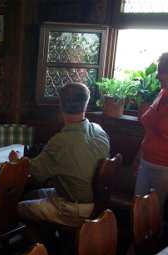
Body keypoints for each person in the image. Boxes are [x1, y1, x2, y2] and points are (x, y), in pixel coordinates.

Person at [9, 82, 110, 229]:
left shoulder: (61, 141)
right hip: (97, 203)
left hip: (75, 208)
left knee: (19, 207)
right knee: (31, 195)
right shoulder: (99, 130)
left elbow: (36, 174)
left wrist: (17, 160)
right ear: (86, 104)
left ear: (60, 106)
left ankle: (44, 247)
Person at [132, 52, 168, 225]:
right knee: (138, 212)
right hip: (146, 163)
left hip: (164, 170)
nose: (157, 75)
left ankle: (151, 252)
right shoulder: (162, 94)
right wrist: (139, 156)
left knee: (154, 219)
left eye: (161, 71)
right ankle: (133, 252)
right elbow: (150, 130)